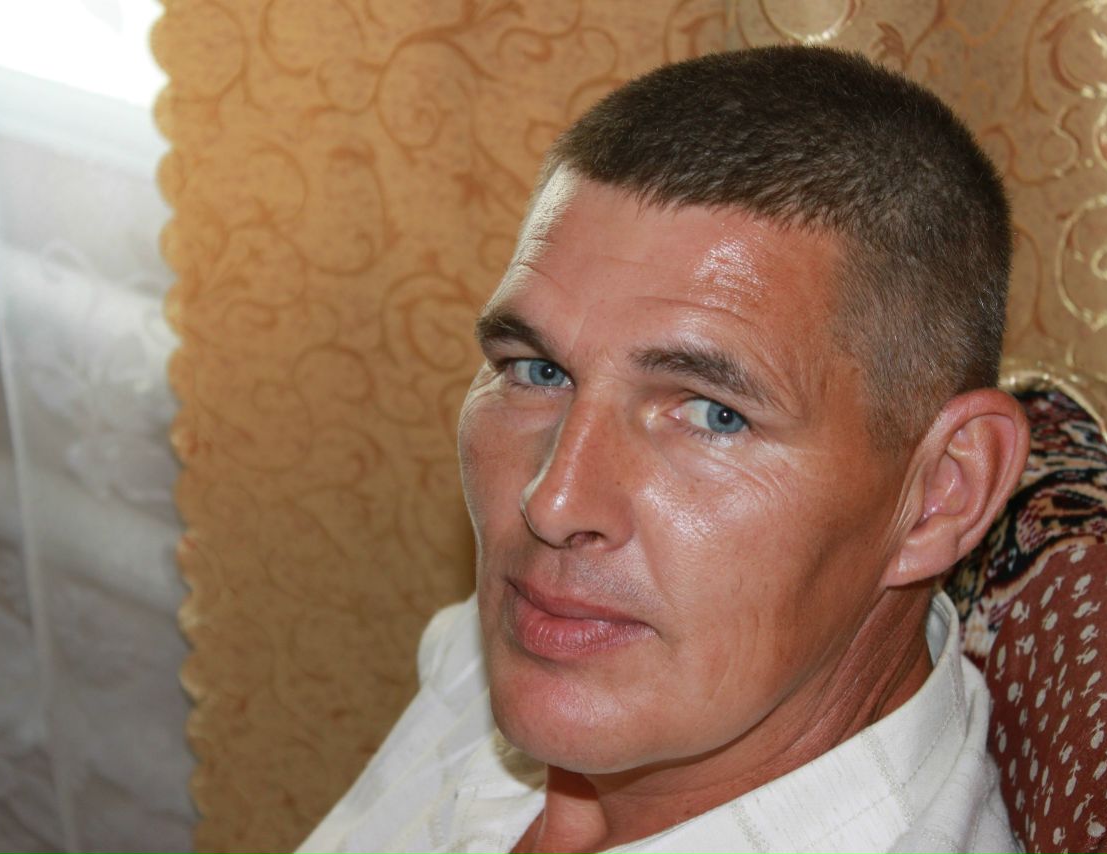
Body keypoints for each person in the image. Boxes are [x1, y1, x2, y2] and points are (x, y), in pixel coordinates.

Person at [299, 45, 1029, 854]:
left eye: (714, 415)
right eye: (538, 371)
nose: (553, 504)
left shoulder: (608, 642)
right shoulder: (539, 644)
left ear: (941, 494)